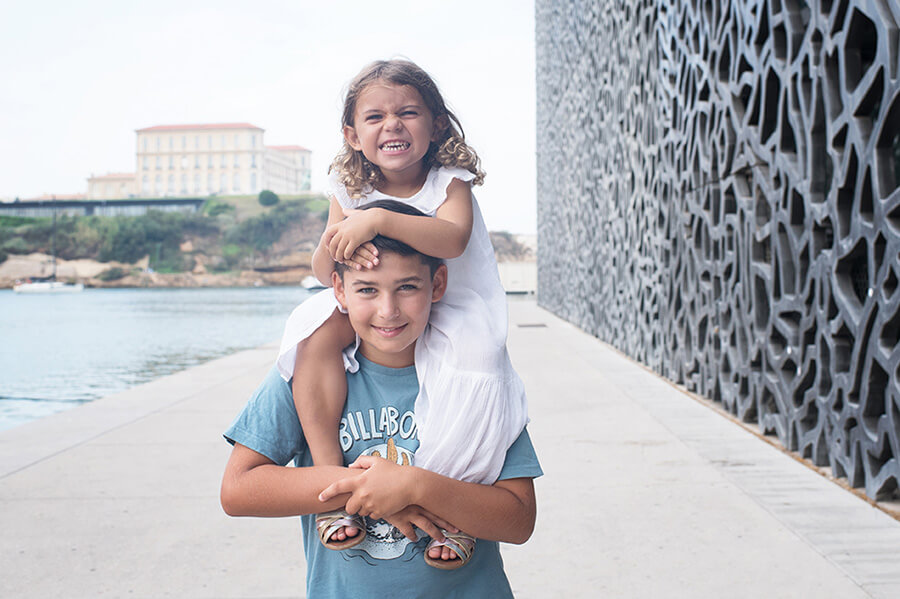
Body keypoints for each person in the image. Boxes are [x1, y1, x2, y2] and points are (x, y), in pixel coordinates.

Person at [275, 59, 529, 560]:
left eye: (408, 112)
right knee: (313, 332)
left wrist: (374, 220)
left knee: (480, 362)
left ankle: (451, 510)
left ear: (435, 125)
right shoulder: (348, 189)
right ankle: (336, 489)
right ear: (352, 134)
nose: (391, 125)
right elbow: (323, 262)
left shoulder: (447, 181)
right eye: (374, 118)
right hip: (376, 299)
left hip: (450, 303)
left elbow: (451, 238)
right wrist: (344, 237)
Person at [220, 209, 542, 597]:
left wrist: (414, 485)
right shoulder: (304, 375)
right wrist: (367, 486)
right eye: (367, 289)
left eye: (407, 287)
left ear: (437, 284)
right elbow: (237, 490)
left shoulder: (477, 379)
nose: (388, 310)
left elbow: (519, 520)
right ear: (339, 289)